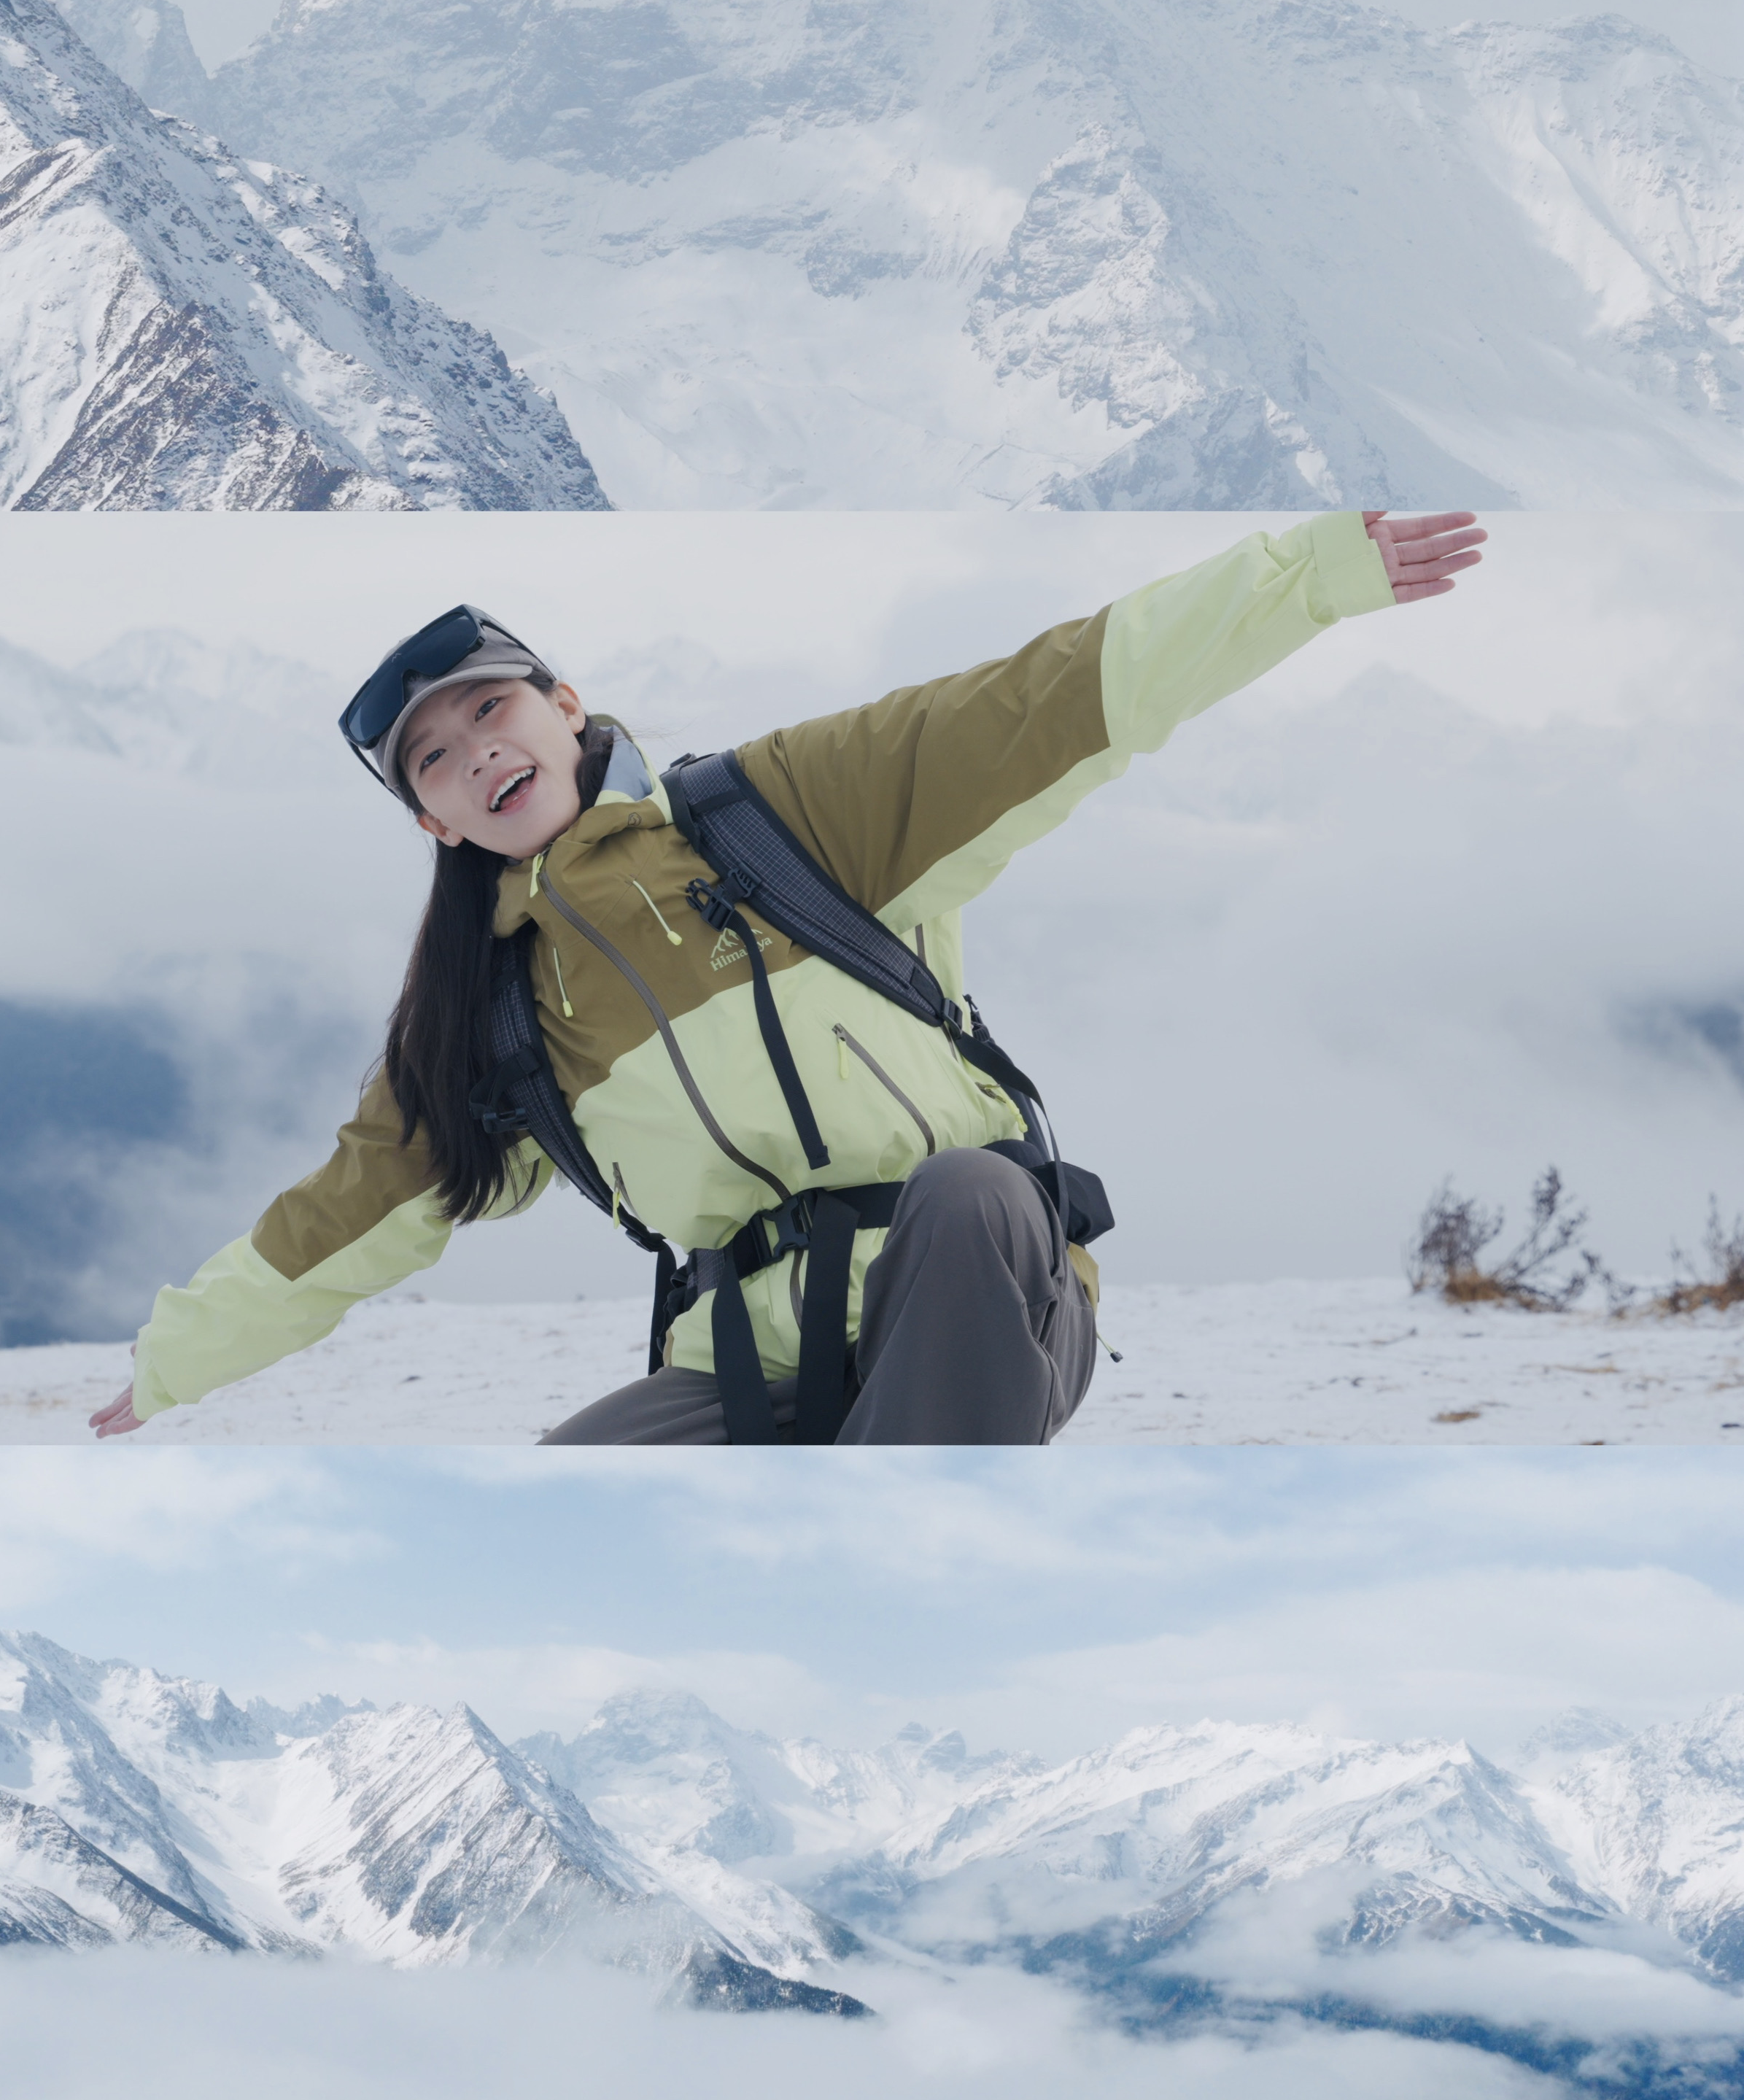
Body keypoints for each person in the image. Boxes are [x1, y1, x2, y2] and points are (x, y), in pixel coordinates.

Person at [90, 509, 1485, 1447]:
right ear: (433, 825)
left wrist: (1310, 575)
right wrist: (168, 1369)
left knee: (965, 1192)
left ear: (564, 706)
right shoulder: (495, 1012)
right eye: (436, 763)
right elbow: (344, 1216)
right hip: (758, 1370)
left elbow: (1049, 697)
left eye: (491, 709)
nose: (479, 756)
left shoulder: (784, 817)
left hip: (990, 1303)